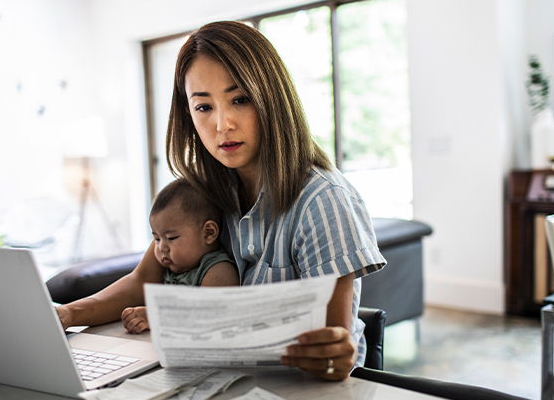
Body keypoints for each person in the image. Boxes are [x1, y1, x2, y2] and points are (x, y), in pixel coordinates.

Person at [56, 20, 385, 380]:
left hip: (296, 392)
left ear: (272, 99)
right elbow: (143, 281)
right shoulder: (200, 191)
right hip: (215, 379)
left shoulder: (323, 201)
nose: (222, 124)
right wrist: (67, 315)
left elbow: (331, 350)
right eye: (203, 107)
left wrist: (335, 353)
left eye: (240, 100)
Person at [120, 178, 239, 334]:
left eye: (171, 238)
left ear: (209, 233)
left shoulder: (218, 270)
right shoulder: (171, 269)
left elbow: (209, 315)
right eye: (156, 238)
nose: (161, 247)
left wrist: (154, 315)